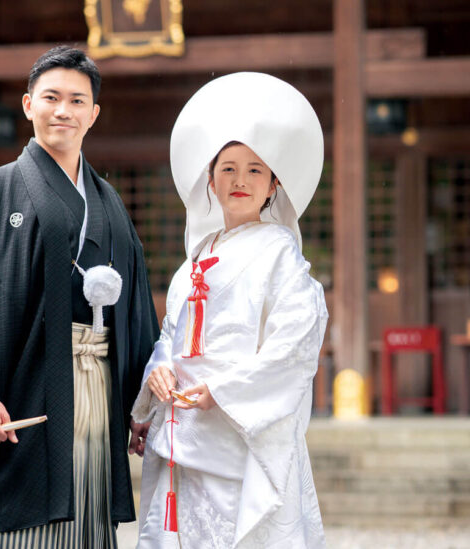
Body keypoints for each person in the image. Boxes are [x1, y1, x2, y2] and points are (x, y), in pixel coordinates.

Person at [0, 46, 159, 548]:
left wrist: (141, 405)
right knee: (25, 520)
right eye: (51, 97)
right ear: (28, 104)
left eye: (77, 101)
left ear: (93, 115)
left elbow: (137, 308)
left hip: (97, 386)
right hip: (25, 386)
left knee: (88, 511)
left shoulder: (109, 202)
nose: (63, 110)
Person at [131, 73, 328, 548]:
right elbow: (170, 337)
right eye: (228, 169)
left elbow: (294, 344)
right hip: (183, 431)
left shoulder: (281, 254)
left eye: (255, 170)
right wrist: (156, 376)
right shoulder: (195, 260)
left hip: (238, 432)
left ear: (273, 184)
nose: (241, 180)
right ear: (210, 182)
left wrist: (221, 390)